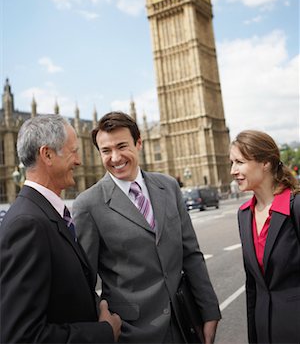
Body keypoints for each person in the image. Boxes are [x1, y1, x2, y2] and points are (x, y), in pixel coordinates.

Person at [73, 111, 221, 344]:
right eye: (106, 151)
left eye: (122, 146)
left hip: (185, 322)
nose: (115, 157)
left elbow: (191, 254)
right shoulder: (88, 205)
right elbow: (83, 281)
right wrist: (104, 327)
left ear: (139, 143)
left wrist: (210, 310)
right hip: (131, 333)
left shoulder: (168, 186)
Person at [0, 114, 121, 344]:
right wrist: (104, 332)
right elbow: (20, 337)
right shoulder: (28, 225)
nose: (79, 161)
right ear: (47, 155)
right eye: (73, 151)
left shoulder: (47, 214)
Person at [230, 130, 300, 344]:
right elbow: (252, 287)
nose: (233, 171)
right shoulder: (244, 215)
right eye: (232, 163)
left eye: (240, 162)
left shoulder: (295, 207)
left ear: (265, 163)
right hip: (264, 333)